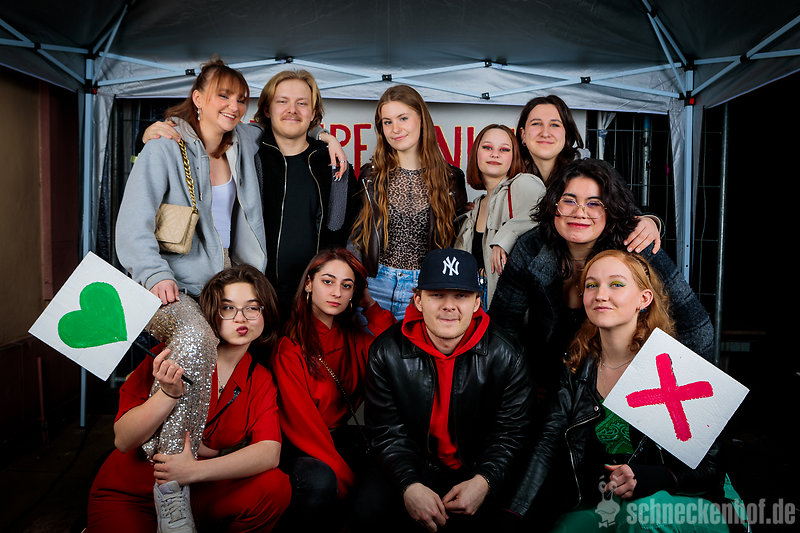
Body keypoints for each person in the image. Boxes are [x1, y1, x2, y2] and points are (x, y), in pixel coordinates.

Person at [508, 250, 738, 532]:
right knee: (567, 527)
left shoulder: (674, 365)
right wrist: (514, 513)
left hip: (692, 500)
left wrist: (658, 477)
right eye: (591, 285)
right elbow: (546, 445)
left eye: (616, 284)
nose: (601, 294)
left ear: (644, 299)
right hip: (613, 502)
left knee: (642, 514)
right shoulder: (578, 368)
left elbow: (713, 469)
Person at [115, 58, 267, 476]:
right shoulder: (164, 146)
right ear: (198, 99)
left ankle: (187, 446)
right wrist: (154, 273)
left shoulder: (243, 142)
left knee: (241, 346)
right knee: (197, 338)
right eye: (223, 96)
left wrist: (325, 136)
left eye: (241, 99)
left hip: (222, 281)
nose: (234, 106)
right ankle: (170, 476)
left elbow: (288, 123)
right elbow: (132, 224)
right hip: (168, 284)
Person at [489, 158, 713, 412]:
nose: (580, 212)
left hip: (624, 391)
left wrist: (672, 396)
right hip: (547, 387)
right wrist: (521, 385)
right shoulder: (531, 247)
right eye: (569, 200)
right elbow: (502, 327)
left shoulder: (636, 247)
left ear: (610, 209)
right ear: (554, 205)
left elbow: (698, 329)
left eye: (594, 203)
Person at [87, 265, 291, 532]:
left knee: (276, 486)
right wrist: (168, 394)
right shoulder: (171, 354)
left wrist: (193, 470)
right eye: (228, 308)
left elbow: (269, 453)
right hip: (132, 491)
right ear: (212, 313)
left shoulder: (260, 378)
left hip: (196, 493)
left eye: (252, 308)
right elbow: (124, 440)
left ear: (266, 313)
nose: (241, 318)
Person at [143, 68, 359, 320]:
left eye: (302, 103)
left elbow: (348, 235)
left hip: (314, 304)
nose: (292, 110)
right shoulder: (246, 151)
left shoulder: (333, 164)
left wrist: (325, 137)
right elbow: (202, 130)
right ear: (267, 109)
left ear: (313, 113)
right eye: (282, 101)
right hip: (254, 298)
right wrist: (151, 134)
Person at [353, 248, 531, 533]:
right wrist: (409, 485)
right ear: (418, 300)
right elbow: (386, 433)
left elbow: (510, 434)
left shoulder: (507, 355)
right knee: (367, 510)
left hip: (476, 468)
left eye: (460, 296)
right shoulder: (386, 352)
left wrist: (484, 481)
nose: (449, 306)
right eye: (437, 295)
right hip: (412, 463)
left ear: (477, 302)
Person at [271, 248, 395, 529]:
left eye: (346, 286)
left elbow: (394, 349)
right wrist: (349, 480)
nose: (337, 292)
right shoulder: (289, 349)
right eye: (328, 281)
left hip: (341, 440)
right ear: (308, 284)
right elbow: (305, 429)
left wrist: (369, 304)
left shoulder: (353, 339)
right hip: (301, 448)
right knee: (323, 480)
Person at [349, 85, 468, 320]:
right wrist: (357, 284)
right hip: (373, 286)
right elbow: (355, 238)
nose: (395, 129)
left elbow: (457, 240)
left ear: (421, 119)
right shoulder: (370, 176)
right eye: (387, 122)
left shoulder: (451, 178)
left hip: (424, 290)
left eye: (403, 118)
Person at [515, 94, 661, 254]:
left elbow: (632, 215)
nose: (545, 133)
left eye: (555, 125)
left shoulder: (595, 173)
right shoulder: (510, 178)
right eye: (536, 123)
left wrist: (650, 221)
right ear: (523, 134)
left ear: (567, 134)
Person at [453, 124, 545, 309]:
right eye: (487, 147)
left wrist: (505, 236)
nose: (495, 154)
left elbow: (543, 213)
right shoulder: (475, 206)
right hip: (475, 301)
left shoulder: (524, 183)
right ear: (476, 153)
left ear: (514, 156)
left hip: (510, 303)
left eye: (504, 149)